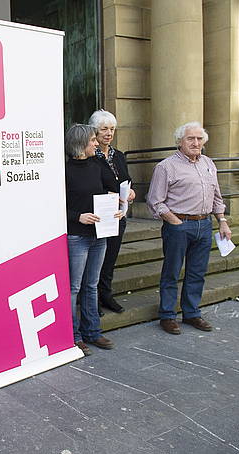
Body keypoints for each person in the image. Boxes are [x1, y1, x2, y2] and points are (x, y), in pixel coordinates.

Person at [147, 122, 231, 335]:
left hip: (204, 225)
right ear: (179, 142)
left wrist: (222, 220)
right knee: (171, 272)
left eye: (199, 139)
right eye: (190, 139)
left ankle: (192, 313)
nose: (196, 143)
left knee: (197, 272)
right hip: (179, 225)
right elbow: (155, 201)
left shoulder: (208, 163)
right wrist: (174, 221)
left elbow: (217, 196)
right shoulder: (166, 167)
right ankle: (167, 315)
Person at [65, 124, 124, 356]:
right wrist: (78, 216)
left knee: (91, 285)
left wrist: (118, 208)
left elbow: (114, 190)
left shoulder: (98, 165)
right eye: (92, 140)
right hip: (77, 236)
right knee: (74, 288)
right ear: (80, 144)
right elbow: (57, 205)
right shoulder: (65, 171)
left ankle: (93, 331)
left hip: (100, 234)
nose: (97, 143)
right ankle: (74, 335)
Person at [87, 109, 136, 315]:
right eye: (104, 129)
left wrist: (131, 191)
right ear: (94, 131)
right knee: (96, 260)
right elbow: (87, 186)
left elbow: (126, 179)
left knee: (111, 258)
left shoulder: (119, 156)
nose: (109, 133)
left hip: (117, 215)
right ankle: (92, 299)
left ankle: (106, 295)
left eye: (112, 129)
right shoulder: (89, 156)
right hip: (98, 215)